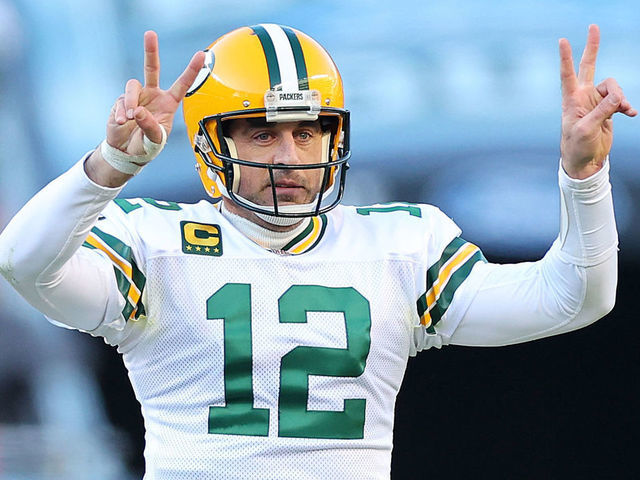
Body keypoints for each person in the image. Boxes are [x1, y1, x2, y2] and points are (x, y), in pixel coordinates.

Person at [0, 23, 635, 480]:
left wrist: (584, 178)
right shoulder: (153, 239)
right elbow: (23, 262)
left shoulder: (400, 243)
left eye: (307, 132)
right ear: (210, 143)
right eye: (262, 133)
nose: (289, 156)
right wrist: (109, 165)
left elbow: (573, 298)